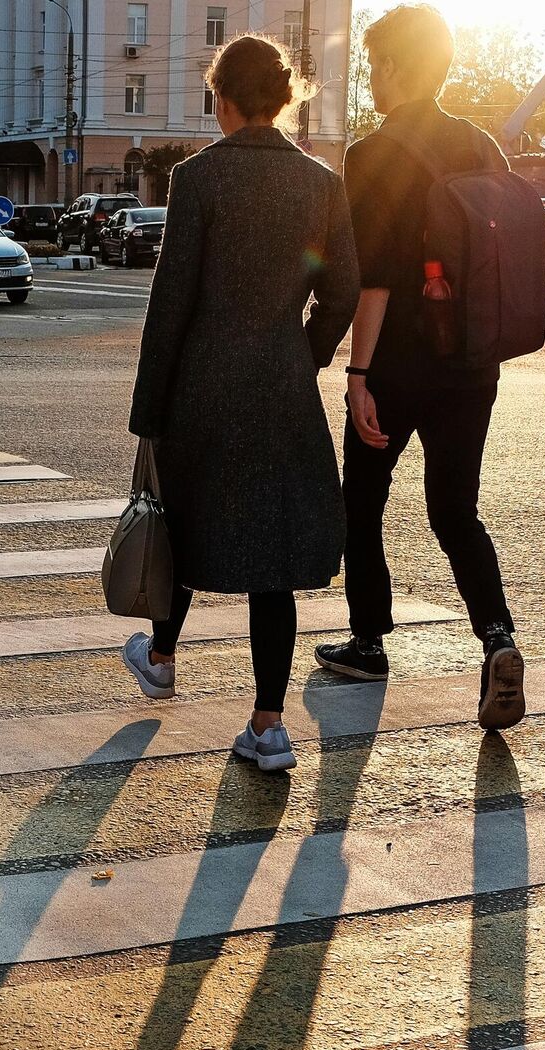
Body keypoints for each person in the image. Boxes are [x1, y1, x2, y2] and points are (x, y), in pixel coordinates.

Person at [120, 34, 360, 773]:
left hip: (201, 385)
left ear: (221, 99)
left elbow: (172, 304)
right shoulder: (320, 182)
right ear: (283, 99)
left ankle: (161, 657)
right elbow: (342, 290)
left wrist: (150, 412)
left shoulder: (199, 178)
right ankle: (267, 726)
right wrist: (305, 353)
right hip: (281, 386)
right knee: (273, 556)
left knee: (182, 522)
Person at [316, 3, 526, 730]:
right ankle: (497, 637)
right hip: (472, 362)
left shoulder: (373, 155)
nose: (373, 77)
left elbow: (374, 278)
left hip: (399, 361)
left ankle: (369, 641)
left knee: (362, 501)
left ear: (399, 66)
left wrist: (357, 377)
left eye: (377, 63)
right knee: (455, 512)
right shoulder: (482, 147)